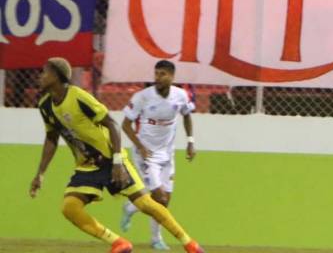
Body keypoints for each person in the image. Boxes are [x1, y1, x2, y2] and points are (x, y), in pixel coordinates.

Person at [28, 57, 206, 253]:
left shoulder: (78, 97)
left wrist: (117, 162)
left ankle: (189, 243)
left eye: (45, 72)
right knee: (69, 207)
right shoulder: (45, 105)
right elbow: (51, 138)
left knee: (145, 203)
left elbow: (112, 124)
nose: (40, 76)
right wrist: (40, 173)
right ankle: (119, 243)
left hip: (110, 158)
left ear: (57, 76)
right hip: (87, 166)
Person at [119, 60, 196, 251]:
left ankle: (131, 208)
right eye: (156, 73)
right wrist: (140, 147)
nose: (158, 78)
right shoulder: (142, 97)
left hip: (167, 154)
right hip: (146, 154)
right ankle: (156, 239)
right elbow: (125, 125)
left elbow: (187, 115)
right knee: (159, 198)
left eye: (162, 74)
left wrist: (190, 141)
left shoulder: (180, 95)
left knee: (165, 200)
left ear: (172, 77)